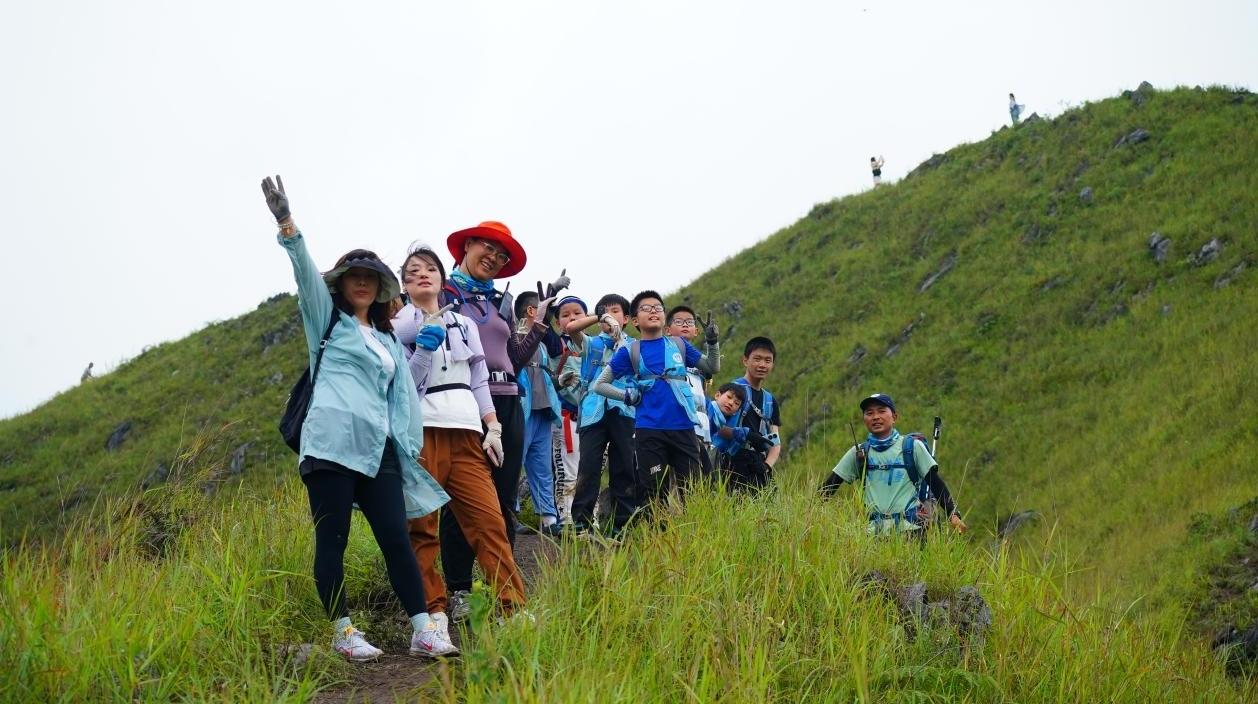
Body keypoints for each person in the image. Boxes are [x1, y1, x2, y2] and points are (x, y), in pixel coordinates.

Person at [260, 175, 456, 661]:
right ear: (341, 285)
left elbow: (404, 394)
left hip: (378, 449)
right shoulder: (326, 322)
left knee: (396, 537)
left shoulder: (388, 340)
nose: (363, 281)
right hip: (329, 446)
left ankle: (422, 629)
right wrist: (287, 223)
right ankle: (344, 633)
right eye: (354, 275)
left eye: (370, 275)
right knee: (334, 539)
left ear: (380, 286)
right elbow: (304, 273)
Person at [393, 241, 527, 644]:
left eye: (429, 268)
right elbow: (404, 384)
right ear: (404, 283)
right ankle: (432, 615)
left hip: (467, 429)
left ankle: (512, 608)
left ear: (441, 277)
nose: (422, 274)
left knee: (489, 522)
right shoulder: (400, 324)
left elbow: (479, 377)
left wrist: (493, 426)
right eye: (413, 270)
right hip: (424, 429)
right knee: (423, 526)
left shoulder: (464, 323)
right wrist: (424, 337)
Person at [438, 220, 566, 621]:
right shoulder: (444, 293)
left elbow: (515, 357)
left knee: (504, 498)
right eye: (487, 248)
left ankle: (503, 591)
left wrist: (541, 321)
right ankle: (458, 589)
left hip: (509, 402)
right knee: (460, 499)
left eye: (502, 255)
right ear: (467, 247)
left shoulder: (499, 304)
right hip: (463, 404)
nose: (493, 258)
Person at [593, 291, 719, 515]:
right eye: (646, 308)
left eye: (658, 307)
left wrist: (712, 342)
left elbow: (711, 367)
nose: (653, 311)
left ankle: (694, 543)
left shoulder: (679, 345)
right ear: (634, 320)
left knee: (692, 493)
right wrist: (627, 396)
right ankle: (655, 542)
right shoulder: (630, 351)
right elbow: (600, 385)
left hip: (684, 429)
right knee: (653, 495)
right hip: (649, 431)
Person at [818, 393, 967, 535]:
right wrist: (810, 514)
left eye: (881, 411)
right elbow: (830, 485)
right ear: (864, 419)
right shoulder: (859, 453)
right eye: (869, 413)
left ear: (894, 417)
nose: (876, 417)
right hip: (871, 534)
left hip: (912, 531)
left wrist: (952, 514)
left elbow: (935, 483)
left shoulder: (912, 447)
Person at [564, 294, 636, 534]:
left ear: (626, 318)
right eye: (605, 312)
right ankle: (581, 524)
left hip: (624, 409)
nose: (610, 316)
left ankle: (621, 524)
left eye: (615, 311)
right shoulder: (592, 343)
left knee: (624, 467)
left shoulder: (634, 346)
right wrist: (600, 315)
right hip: (592, 410)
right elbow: (570, 327)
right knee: (589, 466)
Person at [512, 290, 563, 535]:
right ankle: (509, 515)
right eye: (543, 309)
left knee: (542, 467)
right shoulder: (512, 336)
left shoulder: (541, 343)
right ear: (532, 311)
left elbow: (558, 350)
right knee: (514, 464)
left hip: (543, 409)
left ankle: (549, 519)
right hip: (521, 409)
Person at [717, 337, 782, 492]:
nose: (762, 365)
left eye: (767, 360)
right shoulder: (732, 391)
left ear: (772, 364)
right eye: (757, 359)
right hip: (732, 462)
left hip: (758, 465)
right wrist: (743, 435)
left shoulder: (769, 400)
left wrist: (767, 466)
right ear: (745, 361)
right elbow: (715, 426)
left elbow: (776, 441)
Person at [665, 306, 719, 478]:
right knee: (672, 477)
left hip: (699, 425)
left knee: (696, 478)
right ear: (667, 330)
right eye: (679, 322)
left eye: (689, 322)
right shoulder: (663, 352)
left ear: (696, 331)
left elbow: (714, 366)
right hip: (673, 424)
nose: (685, 325)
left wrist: (712, 342)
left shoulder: (697, 360)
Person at [551, 295, 589, 525]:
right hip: (566, 418)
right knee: (567, 469)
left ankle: (587, 516)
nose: (572, 317)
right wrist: (558, 381)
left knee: (590, 470)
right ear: (557, 323)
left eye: (578, 313)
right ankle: (565, 517)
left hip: (593, 420)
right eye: (565, 315)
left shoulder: (595, 345)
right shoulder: (555, 345)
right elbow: (547, 380)